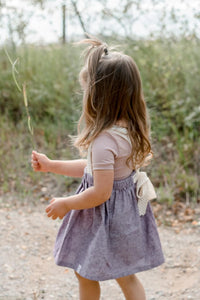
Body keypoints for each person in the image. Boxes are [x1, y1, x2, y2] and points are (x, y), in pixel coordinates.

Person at [31, 36, 164, 300]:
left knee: (86, 272)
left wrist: (67, 203)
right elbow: (94, 169)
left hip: (103, 218)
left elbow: (101, 191)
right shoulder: (128, 129)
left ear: (99, 97)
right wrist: (51, 165)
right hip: (124, 216)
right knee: (126, 275)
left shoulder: (103, 141)